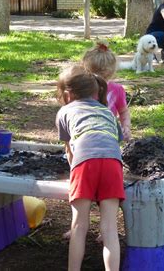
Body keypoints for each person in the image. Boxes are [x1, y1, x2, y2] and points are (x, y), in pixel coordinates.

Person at [55, 64, 125, 271]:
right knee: (110, 229)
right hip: (113, 163)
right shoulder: (107, 112)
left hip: (84, 163)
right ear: (96, 91)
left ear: (68, 95)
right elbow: (114, 143)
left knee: (79, 226)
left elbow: (69, 152)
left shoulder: (65, 111)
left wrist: (76, 174)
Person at [82, 41, 132, 140]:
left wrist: (126, 127)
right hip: (86, 133)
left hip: (109, 134)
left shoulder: (117, 89)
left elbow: (123, 112)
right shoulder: (83, 87)